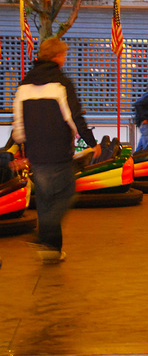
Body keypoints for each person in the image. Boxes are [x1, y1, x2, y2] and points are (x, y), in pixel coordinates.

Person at [12, 37, 101, 264]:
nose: (65, 58)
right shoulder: (61, 83)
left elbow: (18, 125)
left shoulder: (23, 85)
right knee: (67, 193)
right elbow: (74, 118)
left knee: (45, 201)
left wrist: (21, 148)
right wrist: (92, 143)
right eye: (64, 55)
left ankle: (52, 250)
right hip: (59, 152)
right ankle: (44, 237)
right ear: (57, 57)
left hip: (37, 154)